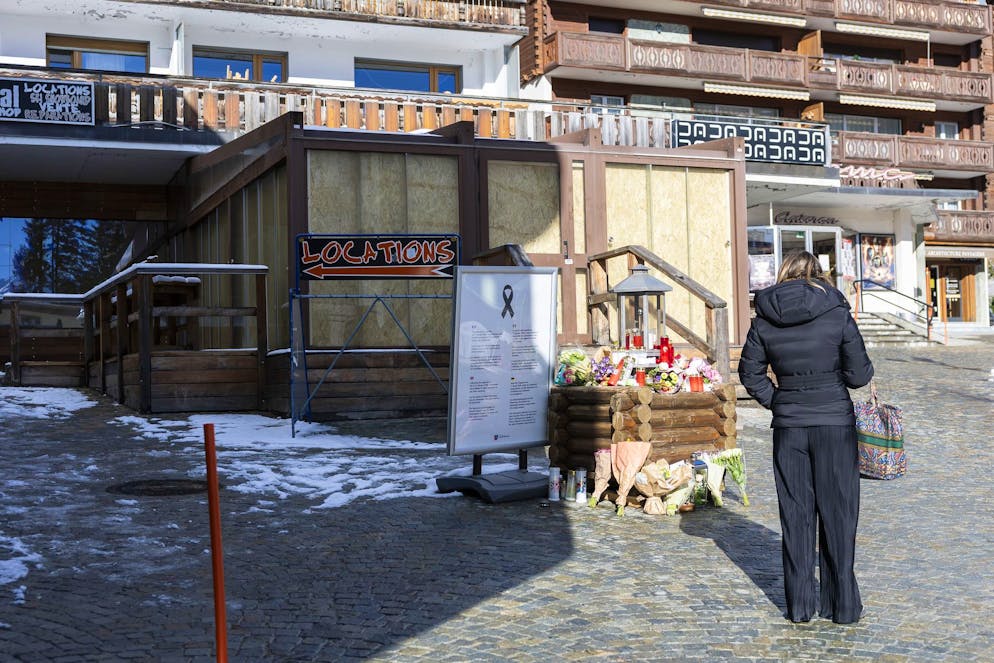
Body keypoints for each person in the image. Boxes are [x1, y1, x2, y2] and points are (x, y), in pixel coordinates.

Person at [738, 250, 874, 624]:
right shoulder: (837, 311)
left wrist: (779, 401)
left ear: (784, 274)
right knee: (839, 515)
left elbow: (750, 374)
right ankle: (842, 607)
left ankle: (800, 608)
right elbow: (859, 376)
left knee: (796, 517)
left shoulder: (765, 317)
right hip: (834, 425)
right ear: (818, 273)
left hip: (790, 428)